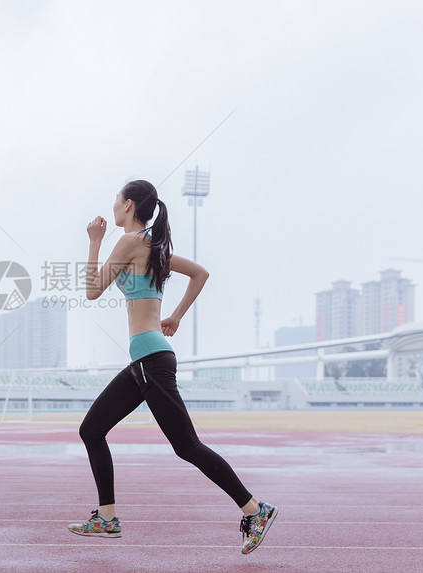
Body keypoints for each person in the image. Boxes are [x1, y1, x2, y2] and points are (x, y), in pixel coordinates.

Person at [67, 180, 277, 554]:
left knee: (187, 446)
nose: (113, 207)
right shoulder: (153, 245)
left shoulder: (132, 241)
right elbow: (201, 273)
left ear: (128, 205)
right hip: (144, 361)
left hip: (150, 359)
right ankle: (107, 517)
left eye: (116, 201)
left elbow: (93, 290)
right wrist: (175, 317)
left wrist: (94, 240)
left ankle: (255, 509)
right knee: (92, 429)